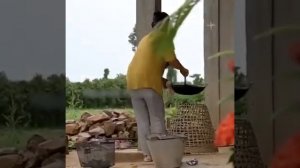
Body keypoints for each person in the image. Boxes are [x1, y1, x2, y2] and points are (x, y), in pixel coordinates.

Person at [126, 11, 189, 162]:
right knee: (157, 119)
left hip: (132, 83)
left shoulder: (145, 40)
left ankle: (148, 155)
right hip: (148, 85)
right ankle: (160, 154)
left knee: (142, 121)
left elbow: (147, 69)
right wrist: (182, 69)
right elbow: (172, 59)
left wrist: (166, 83)